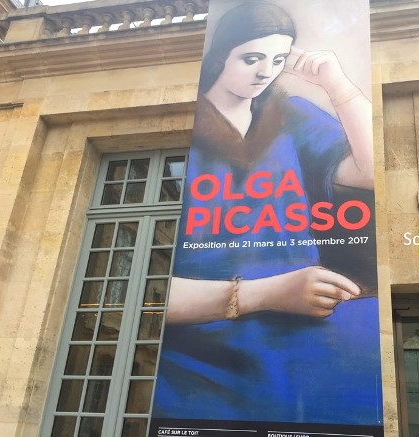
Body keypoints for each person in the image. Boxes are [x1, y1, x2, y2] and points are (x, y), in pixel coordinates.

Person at [153, 1, 381, 426]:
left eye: (277, 60)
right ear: (221, 55)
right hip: (205, 343)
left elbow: (373, 173)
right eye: (251, 58)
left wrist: (338, 87)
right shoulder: (181, 126)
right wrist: (267, 294)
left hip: (308, 317)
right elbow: (143, 295)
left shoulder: (288, 114)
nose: (265, 72)